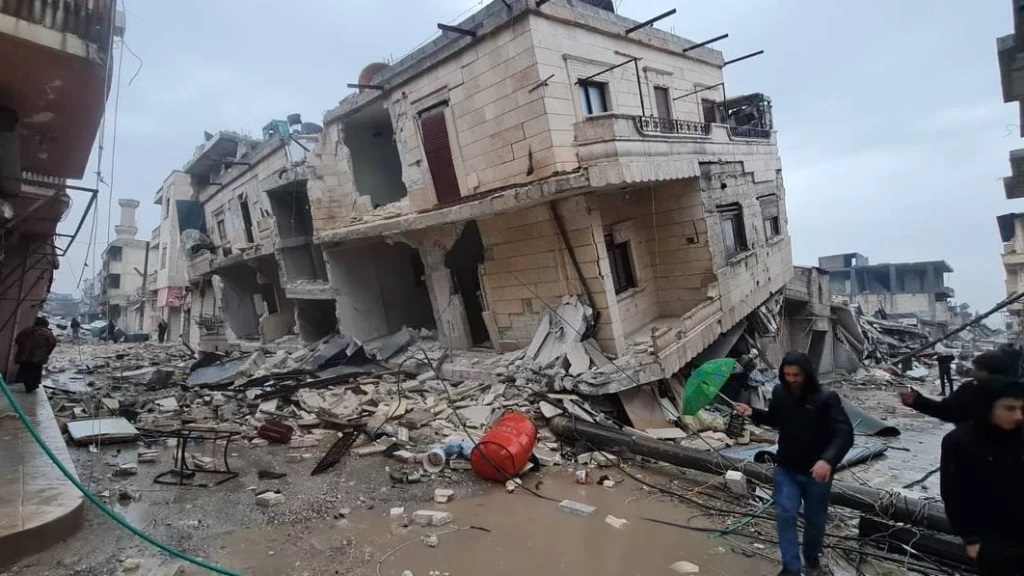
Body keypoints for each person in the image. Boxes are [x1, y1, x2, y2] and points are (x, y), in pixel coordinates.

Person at [734, 351, 854, 576]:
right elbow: (776, 419)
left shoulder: (826, 398)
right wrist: (753, 413)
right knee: (785, 513)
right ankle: (790, 567)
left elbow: (844, 434)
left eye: (796, 375)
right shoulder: (780, 393)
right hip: (787, 468)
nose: (791, 380)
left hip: (817, 473)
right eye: (787, 375)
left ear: (806, 374)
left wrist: (827, 461)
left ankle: (812, 560)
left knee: (815, 520)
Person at [940, 376, 1024, 574]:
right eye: (1009, 408)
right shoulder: (960, 442)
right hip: (993, 539)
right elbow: (953, 495)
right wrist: (970, 538)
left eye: (1022, 409)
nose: (1019, 416)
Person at [899, 350, 1012, 425]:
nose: (973, 373)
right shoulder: (1016, 391)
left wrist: (918, 401)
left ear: (986, 371)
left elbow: (946, 411)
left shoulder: (971, 390)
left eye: (976, 369)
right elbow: (947, 410)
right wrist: (918, 401)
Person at [13, 317, 57, 393]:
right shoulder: (48, 333)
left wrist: (23, 349)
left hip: (25, 357)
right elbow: (52, 344)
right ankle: (31, 387)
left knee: (25, 370)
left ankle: (23, 384)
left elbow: (18, 340)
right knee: (35, 372)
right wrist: (46, 352)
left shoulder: (26, 331)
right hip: (38, 358)